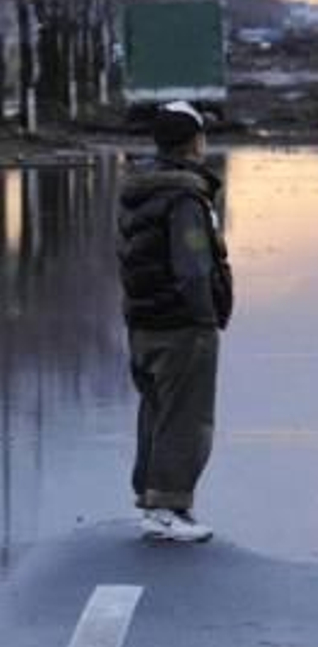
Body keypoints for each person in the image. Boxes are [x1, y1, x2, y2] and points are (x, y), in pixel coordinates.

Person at [116, 102, 234, 543]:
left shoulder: (138, 190)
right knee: (185, 418)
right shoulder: (186, 198)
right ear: (193, 142)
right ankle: (166, 508)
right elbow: (192, 265)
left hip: (143, 321)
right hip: (181, 325)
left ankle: (153, 500)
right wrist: (206, 317)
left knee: (156, 413)